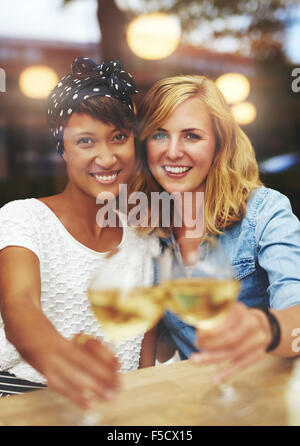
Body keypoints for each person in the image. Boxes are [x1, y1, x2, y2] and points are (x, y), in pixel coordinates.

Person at [0, 57, 159, 408]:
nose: (106, 157)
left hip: (115, 409)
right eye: (86, 141)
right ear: (64, 150)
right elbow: (18, 304)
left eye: (119, 138)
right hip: (20, 401)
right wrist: (64, 362)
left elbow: (145, 351)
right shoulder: (24, 217)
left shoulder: (146, 237)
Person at [135, 74, 300, 382]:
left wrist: (266, 328)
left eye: (191, 136)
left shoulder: (264, 211)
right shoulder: (147, 231)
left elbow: (297, 312)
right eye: (159, 134)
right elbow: (161, 343)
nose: (172, 151)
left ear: (220, 144)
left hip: (271, 400)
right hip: (202, 404)